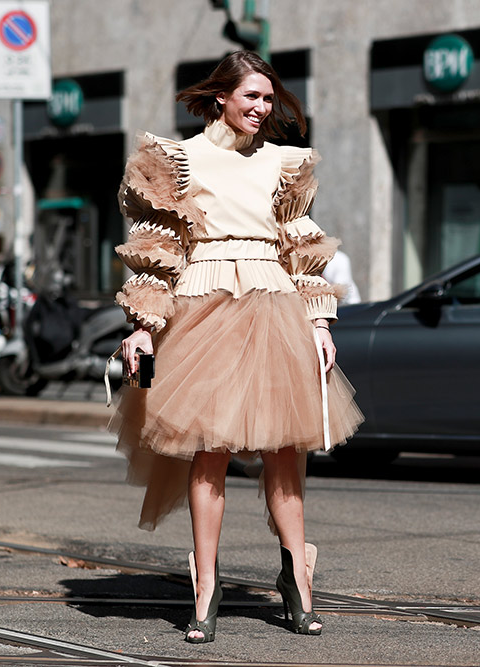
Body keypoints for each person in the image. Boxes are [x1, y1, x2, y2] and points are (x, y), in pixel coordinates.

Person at [108, 51, 363, 644]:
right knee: (210, 450)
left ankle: (297, 577)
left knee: (284, 451)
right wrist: (144, 323)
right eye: (252, 96)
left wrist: (321, 322)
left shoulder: (284, 163)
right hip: (202, 308)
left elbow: (300, 244)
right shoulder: (178, 160)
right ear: (220, 95)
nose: (262, 108)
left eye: (269, 98)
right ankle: (206, 585)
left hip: (275, 306)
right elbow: (162, 246)